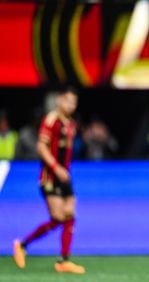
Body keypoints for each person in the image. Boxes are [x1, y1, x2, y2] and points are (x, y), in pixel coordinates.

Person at [13, 87, 85, 274]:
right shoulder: (51, 120)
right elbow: (41, 147)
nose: (71, 105)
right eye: (68, 101)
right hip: (50, 176)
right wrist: (56, 168)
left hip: (65, 176)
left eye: (74, 102)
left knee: (70, 214)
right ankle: (22, 244)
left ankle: (64, 260)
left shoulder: (70, 124)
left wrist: (64, 170)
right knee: (59, 217)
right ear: (59, 100)